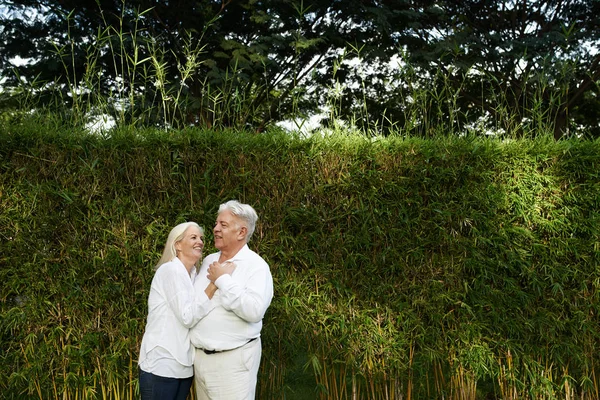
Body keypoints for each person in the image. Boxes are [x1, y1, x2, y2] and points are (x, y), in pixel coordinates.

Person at [191, 200, 274, 400]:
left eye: (223, 225)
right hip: (200, 362)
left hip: (233, 365)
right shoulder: (209, 260)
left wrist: (223, 280)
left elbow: (254, 311)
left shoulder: (256, 266)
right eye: (216, 224)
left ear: (241, 232)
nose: (215, 229)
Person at [138, 222, 215, 400]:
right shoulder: (170, 270)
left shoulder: (195, 274)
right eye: (193, 237)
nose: (200, 242)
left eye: (201, 238)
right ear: (177, 244)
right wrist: (213, 286)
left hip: (184, 366)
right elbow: (188, 317)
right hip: (162, 363)